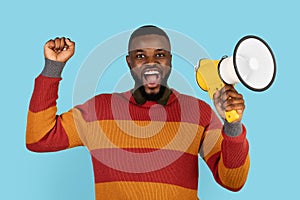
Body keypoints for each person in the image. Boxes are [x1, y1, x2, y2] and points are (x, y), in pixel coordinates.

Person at [26, 25, 250, 200]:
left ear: (170, 61)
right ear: (128, 62)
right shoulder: (98, 110)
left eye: (160, 55)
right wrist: (52, 68)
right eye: (140, 56)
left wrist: (232, 125)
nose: (151, 62)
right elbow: (39, 138)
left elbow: (233, 181)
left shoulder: (198, 112)